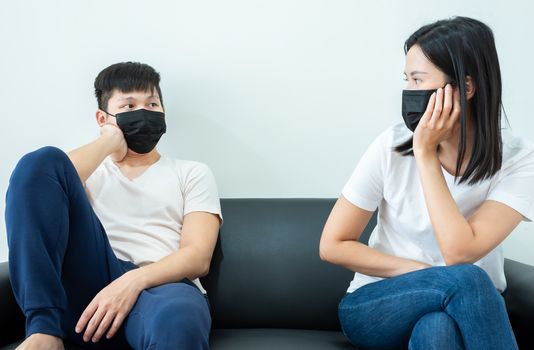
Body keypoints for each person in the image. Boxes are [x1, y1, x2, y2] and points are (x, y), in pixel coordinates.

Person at [319, 16, 534, 350]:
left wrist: (426, 155)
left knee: (438, 329)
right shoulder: (390, 146)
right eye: (407, 80)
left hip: (466, 305)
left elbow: (460, 250)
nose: (409, 92)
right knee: (466, 279)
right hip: (377, 303)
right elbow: (332, 244)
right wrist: (420, 272)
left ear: (465, 88)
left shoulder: (518, 159)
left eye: (419, 80)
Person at [5, 62, 222, 350]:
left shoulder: (192, 172)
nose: (143, 113)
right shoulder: (87, 171)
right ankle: (44, 330)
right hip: (92, 287)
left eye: (152, 104)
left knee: (178, 319)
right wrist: (109, 142)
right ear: (103, 117)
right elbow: (39, 181)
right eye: (129, 105)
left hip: (160, 288)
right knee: (39, 161)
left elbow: (197, 257)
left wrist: (133, 281)